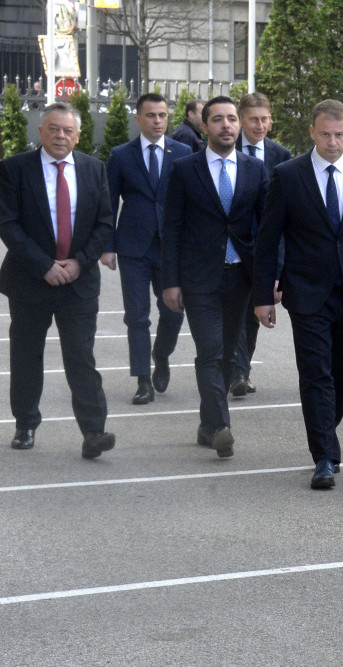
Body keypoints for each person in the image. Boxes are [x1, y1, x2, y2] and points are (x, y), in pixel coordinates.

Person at [253, 99, 343, 489]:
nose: (333, 141)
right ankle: (324, 454)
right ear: (312, 132)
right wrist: (262, 296)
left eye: (340, 134)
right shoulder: (288, 175)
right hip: (307, 292)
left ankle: (324, 430)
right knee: (316, 373)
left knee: (340, 374)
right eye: (325, 134)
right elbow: (268, 240)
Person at [0, 102, 116, 458]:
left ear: (78, 135)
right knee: (26, 355)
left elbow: (104, 223)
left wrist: (79, 263)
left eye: (68, 130)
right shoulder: (15, 169)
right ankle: (26, 423)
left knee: (81, 356)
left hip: (78, 283)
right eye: (53, 128)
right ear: (41, 130)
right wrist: (44, 266)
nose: (60, 136)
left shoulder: (94, 169)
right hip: (30, 281)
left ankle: (94, 432)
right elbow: (8, 224)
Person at [160, 96, 269, 458]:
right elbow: (171, 228)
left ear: (238, 126)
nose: (226, 125)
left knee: (225, 354)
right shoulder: (185, 169)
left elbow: (268, 229)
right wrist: (170, 281)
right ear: (204, 126)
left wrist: (269, 281)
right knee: (209, 349)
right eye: (218, 119)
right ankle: (222, 426)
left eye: (232, 119)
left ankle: (208, 424)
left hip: (241, 276)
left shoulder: (255, 170)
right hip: (198, 277)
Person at [103, 93, 193, 405]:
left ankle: (162, 354)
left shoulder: (182, 151)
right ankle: (142, 379)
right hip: (134, 247)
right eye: (151, 115)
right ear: (138, 118)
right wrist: (108, 245)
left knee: (174, 310)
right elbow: (109, 202)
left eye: (163, 115)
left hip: (172, 246)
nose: (157, 121)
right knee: (136, 316)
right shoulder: (121, 155)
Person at [228, 91, 293, 398]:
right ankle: (236, 370)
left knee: (254, 311)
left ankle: (242, 368)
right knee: (233, 310)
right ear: (241, 120)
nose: (259, 125)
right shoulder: (225, 149)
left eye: (264, 119)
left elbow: (286, 215)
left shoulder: (280, 156)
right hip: (229, 245)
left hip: (263, 248)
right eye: (253, 119)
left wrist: (280, 267)